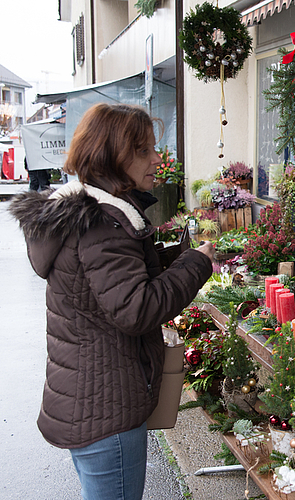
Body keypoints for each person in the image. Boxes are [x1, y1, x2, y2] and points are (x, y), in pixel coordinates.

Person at [9, 103, 215, 500]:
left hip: (89, 397)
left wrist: (169, 257)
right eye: (144, 151)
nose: (158, 159)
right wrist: (195, 263)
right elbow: (135, 309)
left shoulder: (87, 214)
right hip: (106, 409)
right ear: (112, 157)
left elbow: (107, 285)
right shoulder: (104, 224)